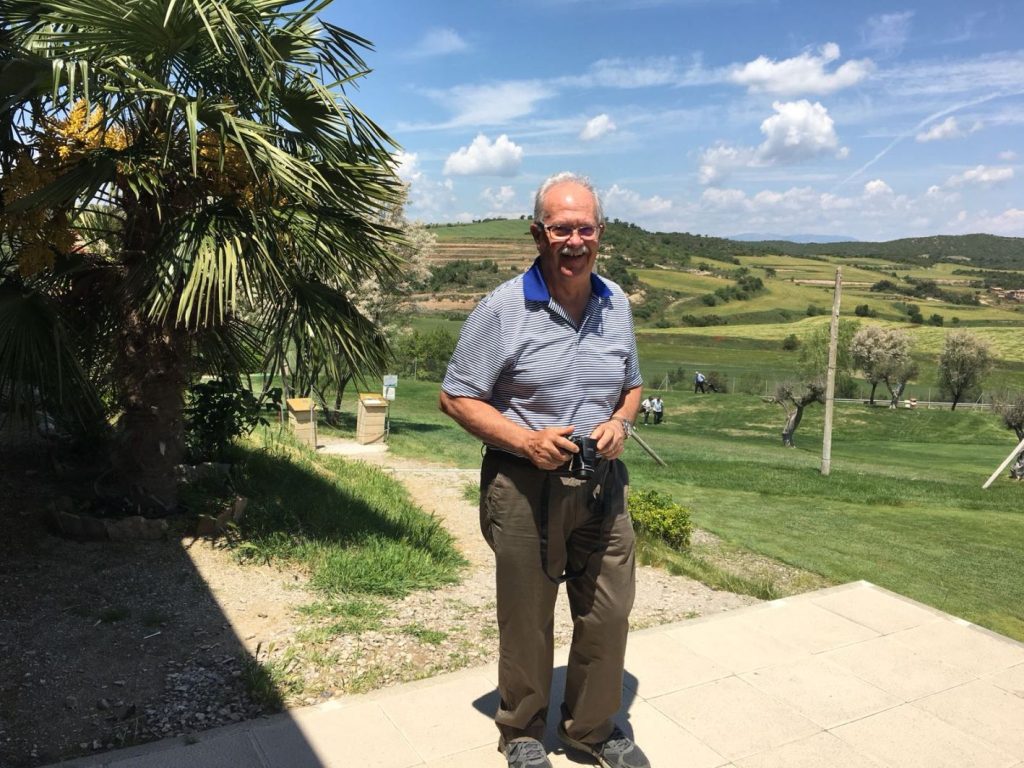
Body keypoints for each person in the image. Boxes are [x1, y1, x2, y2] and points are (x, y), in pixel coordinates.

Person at [439, 172, 649, 768]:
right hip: (524, 486)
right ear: (538, 234)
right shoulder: (503, 308)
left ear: (600, 233)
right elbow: (455, 397)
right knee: (528, 618)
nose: (574, 241)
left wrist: (621, 423)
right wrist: (526, 441)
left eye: (585, 229)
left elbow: (632, 386)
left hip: (602, 485)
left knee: (609, 612)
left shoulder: (616, 304)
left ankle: (591, 729)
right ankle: (522, 731)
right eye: (561, 229)